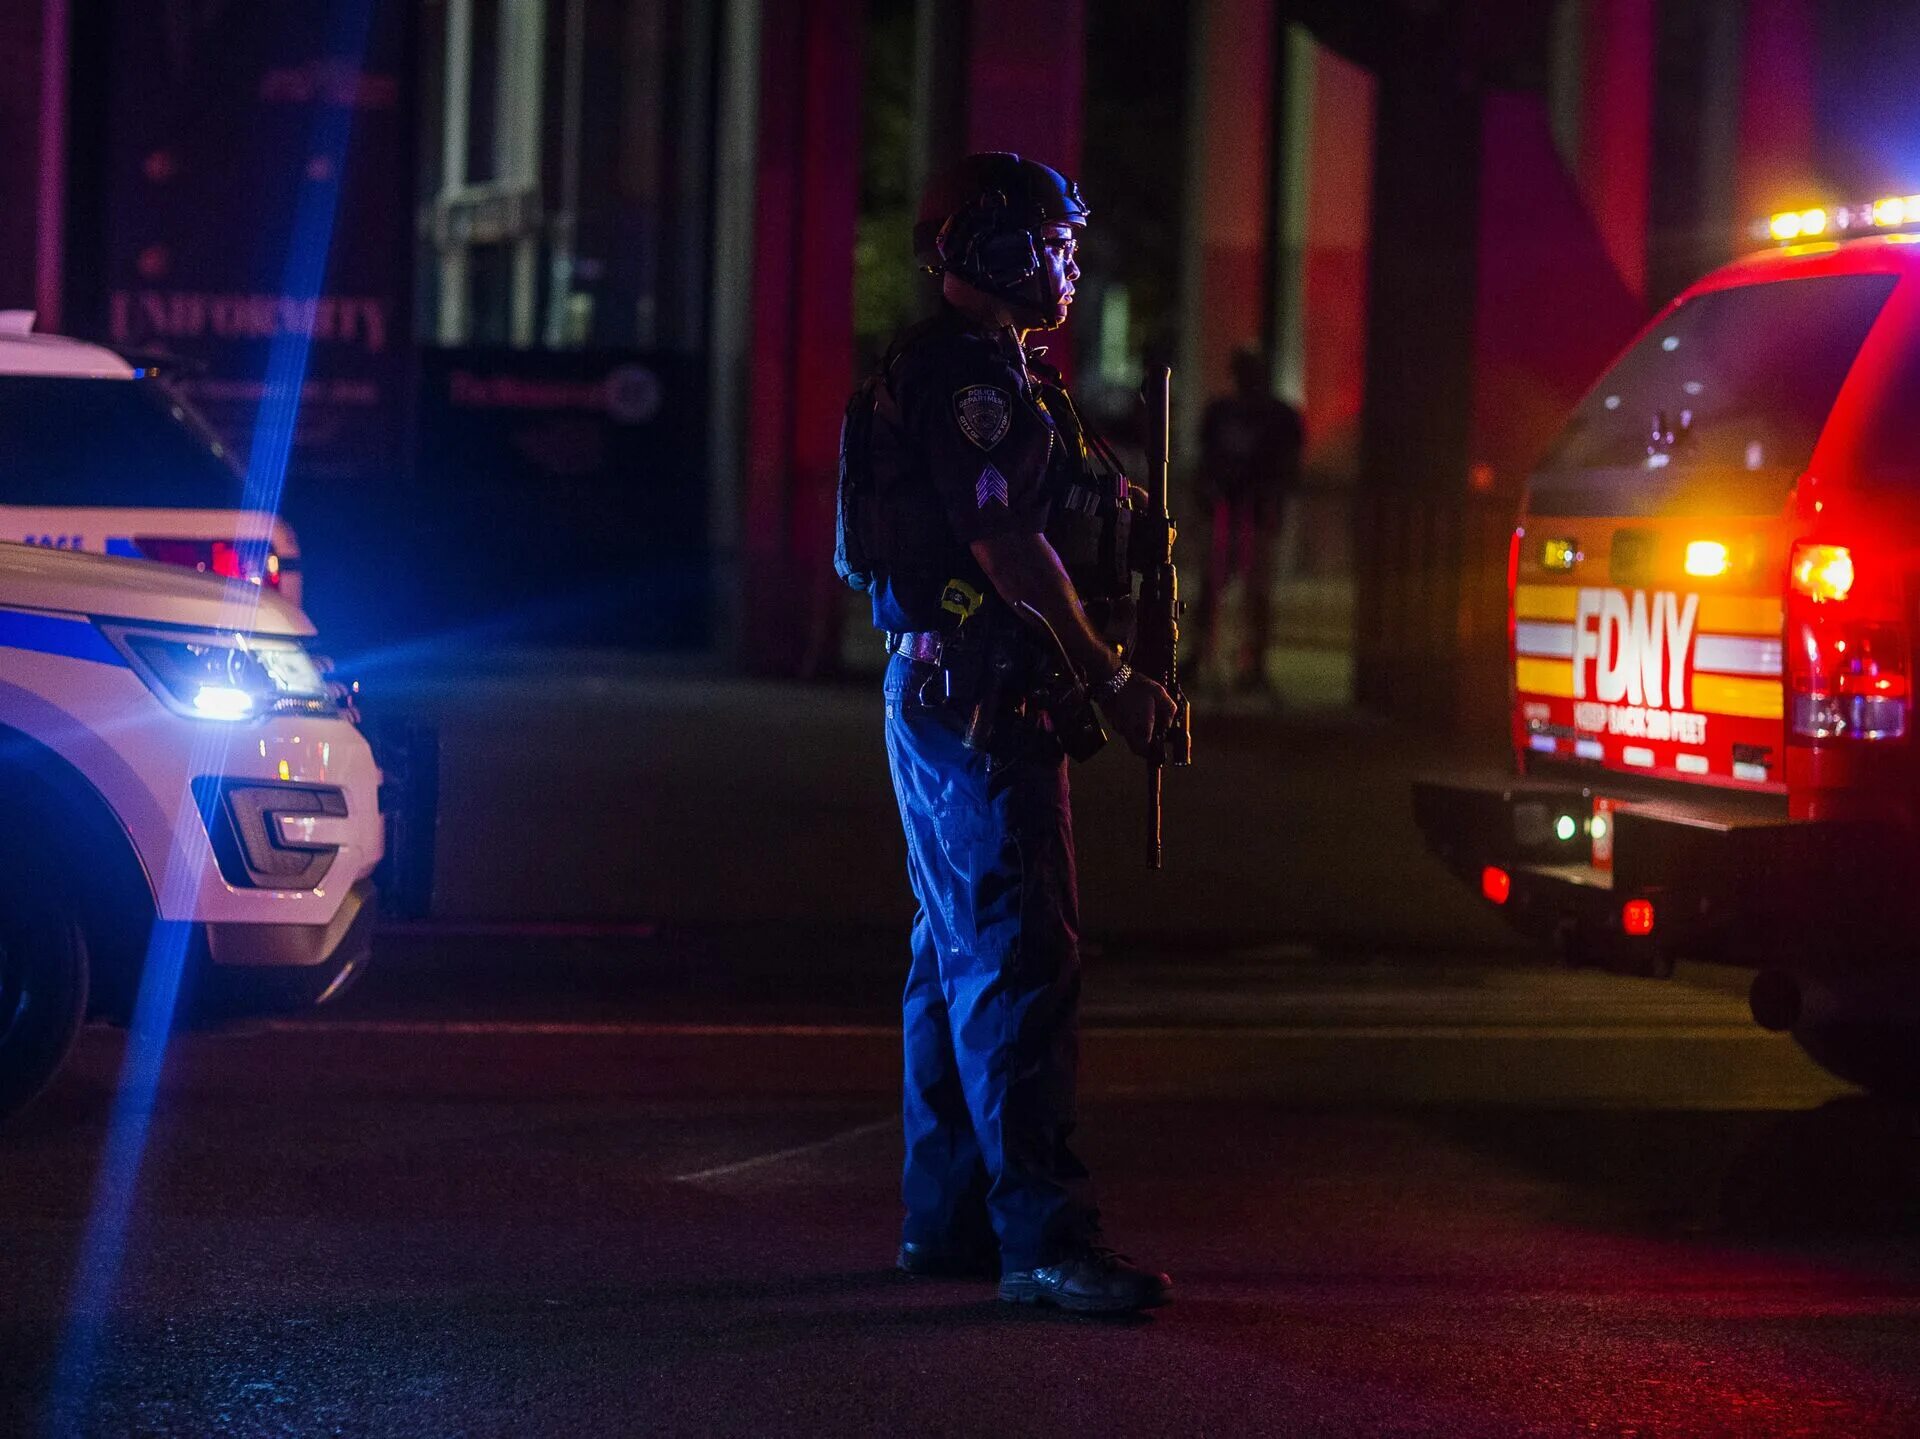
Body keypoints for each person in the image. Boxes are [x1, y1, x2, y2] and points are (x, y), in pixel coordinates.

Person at [840, 152, 1175, 1314]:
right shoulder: (974, 384)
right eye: (1054, 242)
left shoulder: (986, 374)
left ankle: (949, 1226)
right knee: (1019, 964)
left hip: (943, 695)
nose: (1069, 264)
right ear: (994, 248)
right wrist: (1114, 673)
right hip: (982, 704)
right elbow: (1007, 548)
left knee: (952, 964)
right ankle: (1043, 1238)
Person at [1191, 345, 1305, 693]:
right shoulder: (1225, 413)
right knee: (1215, 587)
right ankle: (1204, 657)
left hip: (1256, 514)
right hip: (1229, 509)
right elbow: (1208, 459)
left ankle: (1251, 664)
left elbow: (1286, 466)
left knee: (1253, 593)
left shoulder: (1278, 417)